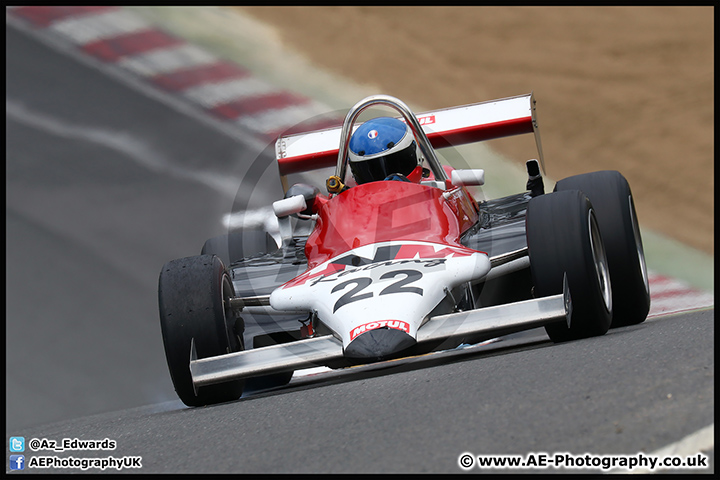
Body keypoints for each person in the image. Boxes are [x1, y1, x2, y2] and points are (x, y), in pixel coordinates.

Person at [347, 116, 425, 184]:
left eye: (394, 165)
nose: (387, 182)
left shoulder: (434, 190)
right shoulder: (351, 199)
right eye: (375, 172)